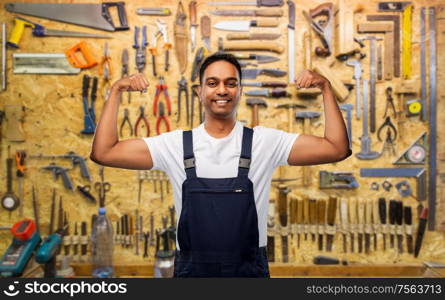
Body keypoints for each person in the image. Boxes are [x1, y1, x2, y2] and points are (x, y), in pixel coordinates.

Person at [90, 52, 351, 278]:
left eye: (231, 83)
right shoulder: (175, 145)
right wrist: (116, 91)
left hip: (248, 271)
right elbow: (104, 152)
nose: (222, 90)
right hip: (193, 273)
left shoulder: (265, 142)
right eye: (212, 83)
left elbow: (336, 148)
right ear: (199, 91)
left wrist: (326, 88)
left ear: (240, 91)